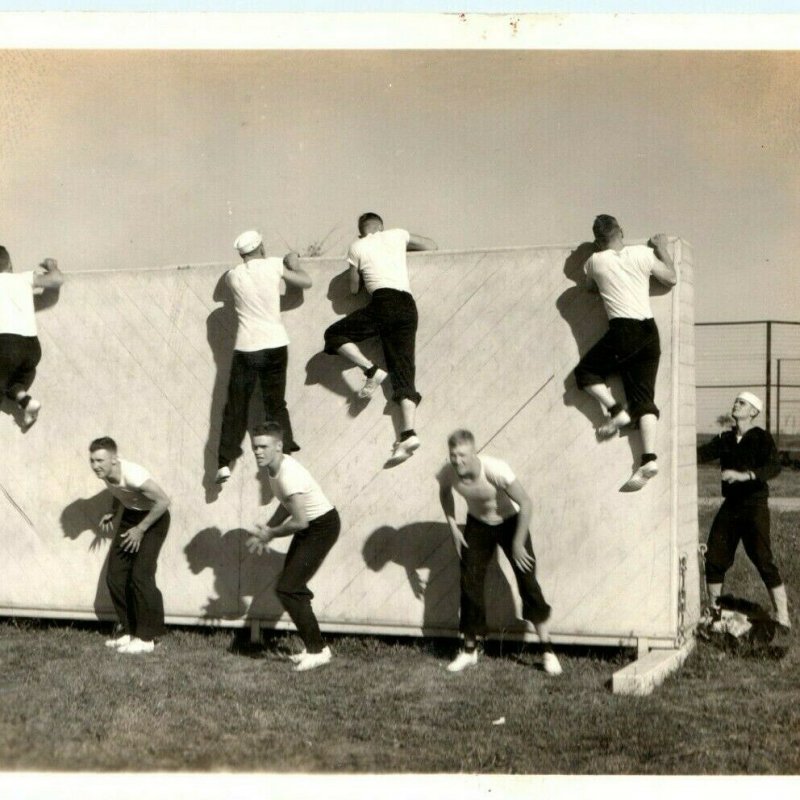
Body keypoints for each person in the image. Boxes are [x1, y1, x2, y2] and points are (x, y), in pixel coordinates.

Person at [437, 429, 562, 675]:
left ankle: (547, 651)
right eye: (453, 455)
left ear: (474, 453)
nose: (457, 461)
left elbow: (526, 503)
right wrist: (452, 526)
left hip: (511, 523)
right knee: (469, 582)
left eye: (462, 455)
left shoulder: (495, 469)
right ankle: (469, 651)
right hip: (477, 525)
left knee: (527, 581)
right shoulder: (448, 472)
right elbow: (444, 493)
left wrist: (517, 543)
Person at [323, 213, 437, 466]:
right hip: (408, 305)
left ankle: (372, 370)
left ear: (361, 232)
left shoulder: (358, 246)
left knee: (333, 335)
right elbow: (431, 245)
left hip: (383, 303)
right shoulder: (397, 234)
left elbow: (353, 289)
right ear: (381, 226)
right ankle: (408, 434)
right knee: (404, 369)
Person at [573, 215, 677, 492]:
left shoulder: (594, 262)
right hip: (649, 332)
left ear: (597, 241)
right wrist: (662, 247)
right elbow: (671, 279)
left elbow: (589, 288)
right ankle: (649, 459)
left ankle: (617, 412)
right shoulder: (643, 253)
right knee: (644, 398)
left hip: (623, 331)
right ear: (622, 231)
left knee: (586, 372)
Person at [215, 230, 312, 485]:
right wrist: (293, 261)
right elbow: (305, 282)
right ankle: (286, 449)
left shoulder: (233, 276)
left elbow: (219, 290)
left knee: (236, 406)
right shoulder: (272, 265)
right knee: (275, 403)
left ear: (241, 253)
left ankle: (224, 463)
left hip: (246, 348)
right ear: (261, 247)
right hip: (275, 345)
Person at [246, 422, 340, 671]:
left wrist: (271, 534)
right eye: (255, 447)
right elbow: (286, 503)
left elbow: (300, 521)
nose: (258, 452)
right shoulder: (273, 469)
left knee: (289, 587)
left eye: (263, 446)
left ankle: (318, 651)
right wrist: (269, 528)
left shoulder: (289, 474)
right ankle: (317, 647)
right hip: (311, 526)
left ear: (278, 446)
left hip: (322, 527)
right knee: (290, 587)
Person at [697, 392, 791, 632]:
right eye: (736, 402)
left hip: (754, 505)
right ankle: (714, 614)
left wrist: (744, 475)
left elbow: (773, 466)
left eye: (742, 403)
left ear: (753, 412)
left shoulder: (761, 437)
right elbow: (699, 454)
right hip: (732, 506)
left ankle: (783, 618)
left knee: (762, 558)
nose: (735, 405)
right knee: (715, 558)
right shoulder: (726, 438)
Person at [89, 437, 171, 654]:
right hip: (131, 517)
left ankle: (148, 638)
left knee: (141, 576)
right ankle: (129, 631)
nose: (95, 466)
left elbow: (163, 501)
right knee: (115, 576)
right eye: (92, 461)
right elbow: (121, 493)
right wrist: (114, 511)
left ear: (114, 460)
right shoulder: (106, 474)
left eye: (100, 461)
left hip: (154, 519)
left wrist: (140, 529)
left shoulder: (134, 475)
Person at [0, 247, 64, 429]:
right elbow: (57, 280)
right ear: (10, 264)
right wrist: (52, 266)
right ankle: (27, 403)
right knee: (12, 381)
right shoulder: (23, 278)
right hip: (31, 348)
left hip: (5, 345)